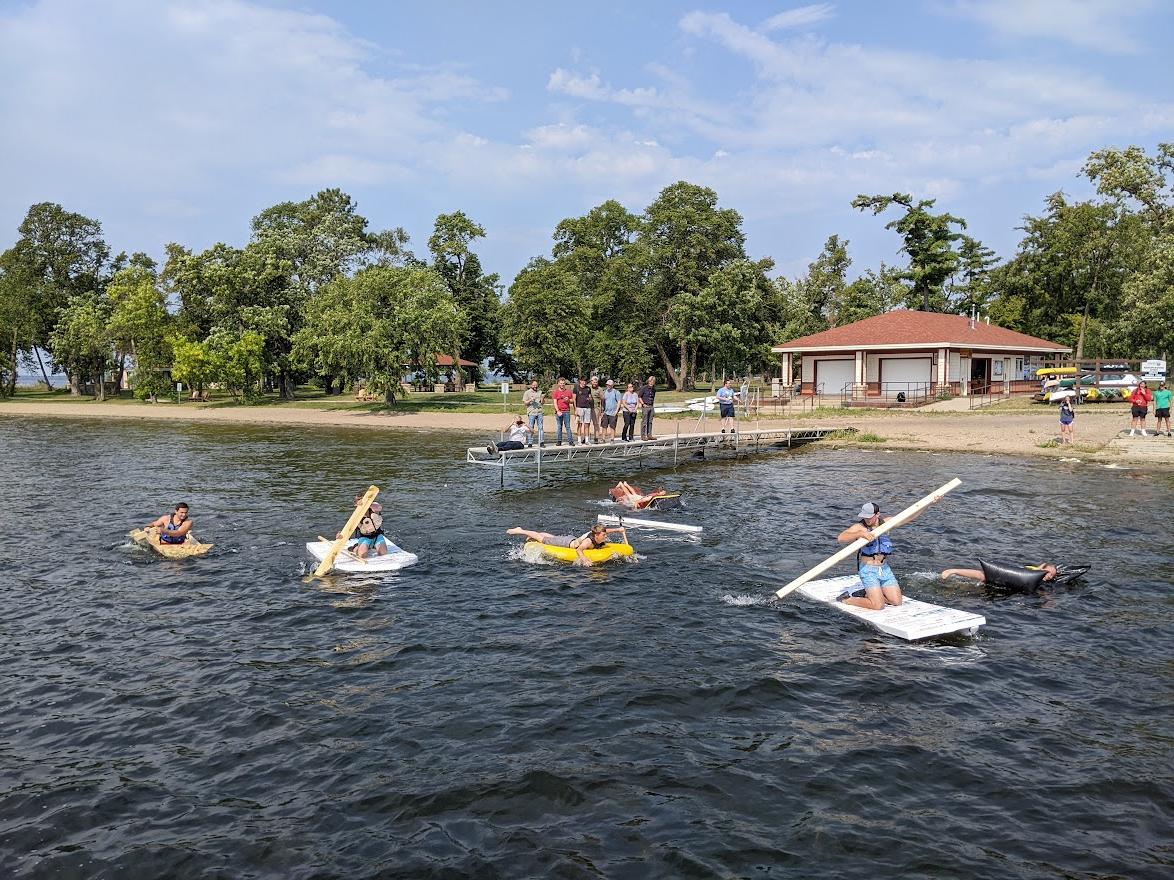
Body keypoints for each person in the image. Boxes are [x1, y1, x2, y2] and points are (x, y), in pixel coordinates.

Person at [835, 498, 940, 609]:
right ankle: (847, 599)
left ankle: (867, 594)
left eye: (869, 516)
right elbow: (841, 538)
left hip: (884, 569)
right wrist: (860, 533)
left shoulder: (886, 523)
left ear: (877, 514)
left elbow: (909, 518)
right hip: (868, 570)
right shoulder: (860, 527)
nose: (866, 519)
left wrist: (927, 505)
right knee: (878, 606)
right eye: (864, 516)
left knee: (896, 602)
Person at [507, 523, 628, 567]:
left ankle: (532, 533)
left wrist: (619, 529)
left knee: (552, 538)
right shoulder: (589, 541)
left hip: (573, 540)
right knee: (542, 539)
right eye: (603, 535)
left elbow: (609, 530)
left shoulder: (600, 533)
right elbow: (579, 550)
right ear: (596, 535)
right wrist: (584, 560)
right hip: (567, 544)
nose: (605, 537)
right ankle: (520, 530)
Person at [941, 564, 1058, 583]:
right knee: (984, 576)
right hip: (1008, 580)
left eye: (1052, 575)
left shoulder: (1047, 585)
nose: (1049, 576)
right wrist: (1038, 569)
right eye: (1048, 572)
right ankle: (953, 570)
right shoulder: (1032, 571)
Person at [551, 377, 575, 446]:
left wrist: (568, 400)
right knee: (559, 427)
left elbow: (572, 401)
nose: (562, 385)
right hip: (559, 412)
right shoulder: (555, 392)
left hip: (566, 411)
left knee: (568, 426)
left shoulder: (568, 391)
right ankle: (559, 441)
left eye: (563, 383)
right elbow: (555, 402)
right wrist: (557, 411)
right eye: (561, 383)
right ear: (558, 383)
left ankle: (570, 441)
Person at [522, 380, 545, 447]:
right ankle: (530, 443)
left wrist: (542, 398)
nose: (535, 386)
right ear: (531, 385)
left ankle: (541, 442)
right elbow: (525, 403)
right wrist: (530, 400)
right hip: (531, 412)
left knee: (540, 427)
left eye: (536, 385)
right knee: (531, 427)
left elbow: (542, 403)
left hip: (540, 412)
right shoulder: (527, 393)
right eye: (534, 385)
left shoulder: (540, 392)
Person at [574, 377, 595, 445]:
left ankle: (586, 440)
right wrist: (575, 409)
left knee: (587, 424)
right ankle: (579, 440)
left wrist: (590, 399)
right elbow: (574, 399)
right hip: (579, 408)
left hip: (587, 408)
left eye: (585, 381)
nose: (584, 382)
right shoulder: (576, 388)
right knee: (579, 424)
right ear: (580, 381)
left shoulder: (588, 388)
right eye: (583, 381)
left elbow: (590, 397)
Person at [638, 375, 657, 441]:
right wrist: (643, 404)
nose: (652, 382)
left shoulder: (654, 389)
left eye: (653, 381)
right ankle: (643, 436)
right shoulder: (644, 388)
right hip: (645, 406)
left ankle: (649, 435)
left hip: (651, 406)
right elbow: (639, 396)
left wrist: (652, 406)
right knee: (644, 422)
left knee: (650, 421)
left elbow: (653, 398)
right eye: (651, 381)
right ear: (649, 381)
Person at [589, 376, 605, 442]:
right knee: (586, 422)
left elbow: (602, 399)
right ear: (591, 382)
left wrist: (602, 409)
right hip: (588, 407)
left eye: (596, 382)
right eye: (593, 382)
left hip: (596, 408)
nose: (595, 383)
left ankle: (596, 437)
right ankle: (586, 438)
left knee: (596, 423)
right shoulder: (588, 388)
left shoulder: (600, 389)